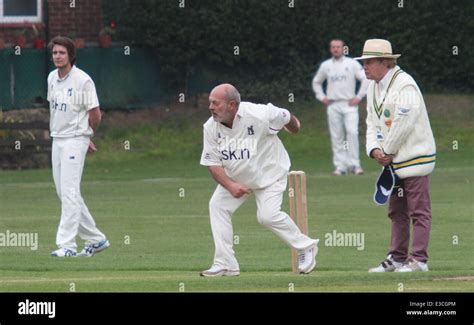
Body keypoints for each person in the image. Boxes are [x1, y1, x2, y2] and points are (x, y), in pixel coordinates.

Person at [200, 83, 319, 276]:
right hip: (237, 177)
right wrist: (231, 186)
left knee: (267, 216)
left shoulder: (260, 114)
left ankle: (306, 247)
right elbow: (212, 163)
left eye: (215, 103)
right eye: (210, 103)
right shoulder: (210, 127)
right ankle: (226, 263)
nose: (211, 107)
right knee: (217, 206)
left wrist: (294, 127)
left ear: (232, 105)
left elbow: (286, 116)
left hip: (269, 173)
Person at [355, 39, 436, 272]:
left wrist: (387, 151)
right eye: (364, 62)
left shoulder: (405, 84)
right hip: (391, 162)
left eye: (369, 62)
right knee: (396, 210)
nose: (365, 67)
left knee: (418, 210)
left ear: (385, 62)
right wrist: (374, 150)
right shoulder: (373, 87)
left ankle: (419, 260)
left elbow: (404, 122)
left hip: (414, 157)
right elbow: (371, 122)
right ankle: (397, 257)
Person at [47, 36, 109, 257]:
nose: (57, 56)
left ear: (70, 55)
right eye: (55, 53)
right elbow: (58, 111)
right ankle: (96, 239)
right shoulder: (52, 78)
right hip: (58, 138)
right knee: (64, 192)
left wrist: (86, 135)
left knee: (71, 191)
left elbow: (95, 114)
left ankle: (67, 245)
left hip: (75, 139)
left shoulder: (83, 80)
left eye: (61, 53)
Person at [312, 39, 369, 176]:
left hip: (349, 104)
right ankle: (340, 166)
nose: (336, 49)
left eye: (338, 47)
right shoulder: (326, 66)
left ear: (343, 48)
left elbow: (365, 78)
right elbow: (316, 82)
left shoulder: (352, 63)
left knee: (352, 132)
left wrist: (359, 96)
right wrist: (322, 97)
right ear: (330, 49)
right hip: (333, 104)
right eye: (333, 47)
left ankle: (355, 165)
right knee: (337, 136)